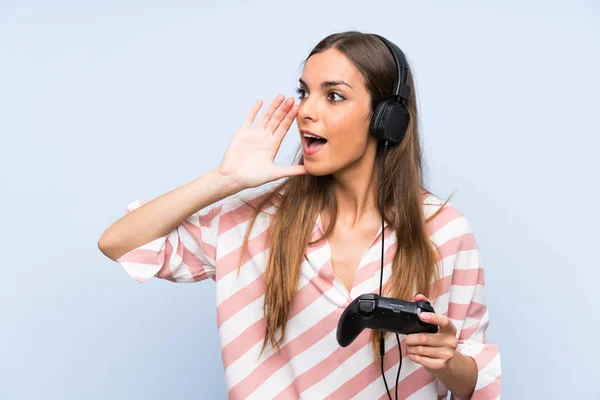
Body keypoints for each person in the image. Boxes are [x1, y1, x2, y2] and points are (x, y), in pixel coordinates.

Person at [98, 31, 501, 399]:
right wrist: (224, 179)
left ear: (386, 120)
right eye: (304, 92)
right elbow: (119, 243)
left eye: (334, 96)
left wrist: (447, 362)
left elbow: (476, 385)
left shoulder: (445, 232)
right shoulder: (252, 222)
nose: (306, 111)